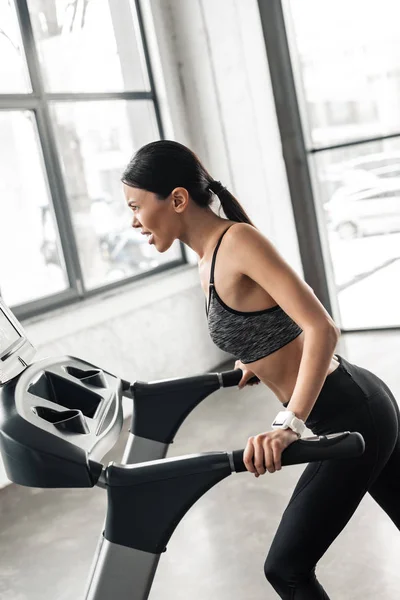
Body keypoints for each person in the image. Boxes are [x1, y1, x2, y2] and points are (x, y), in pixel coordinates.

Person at [122, 140, 400, 599]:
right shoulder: (208, 256)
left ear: (175, 199)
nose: (133, 222)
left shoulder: (238, 242)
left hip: (352, 410)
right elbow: (263, 316)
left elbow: (321, 328)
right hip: (355, 402)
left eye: (136, 207)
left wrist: (287, 424)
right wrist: (255, 356)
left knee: (286, 568)